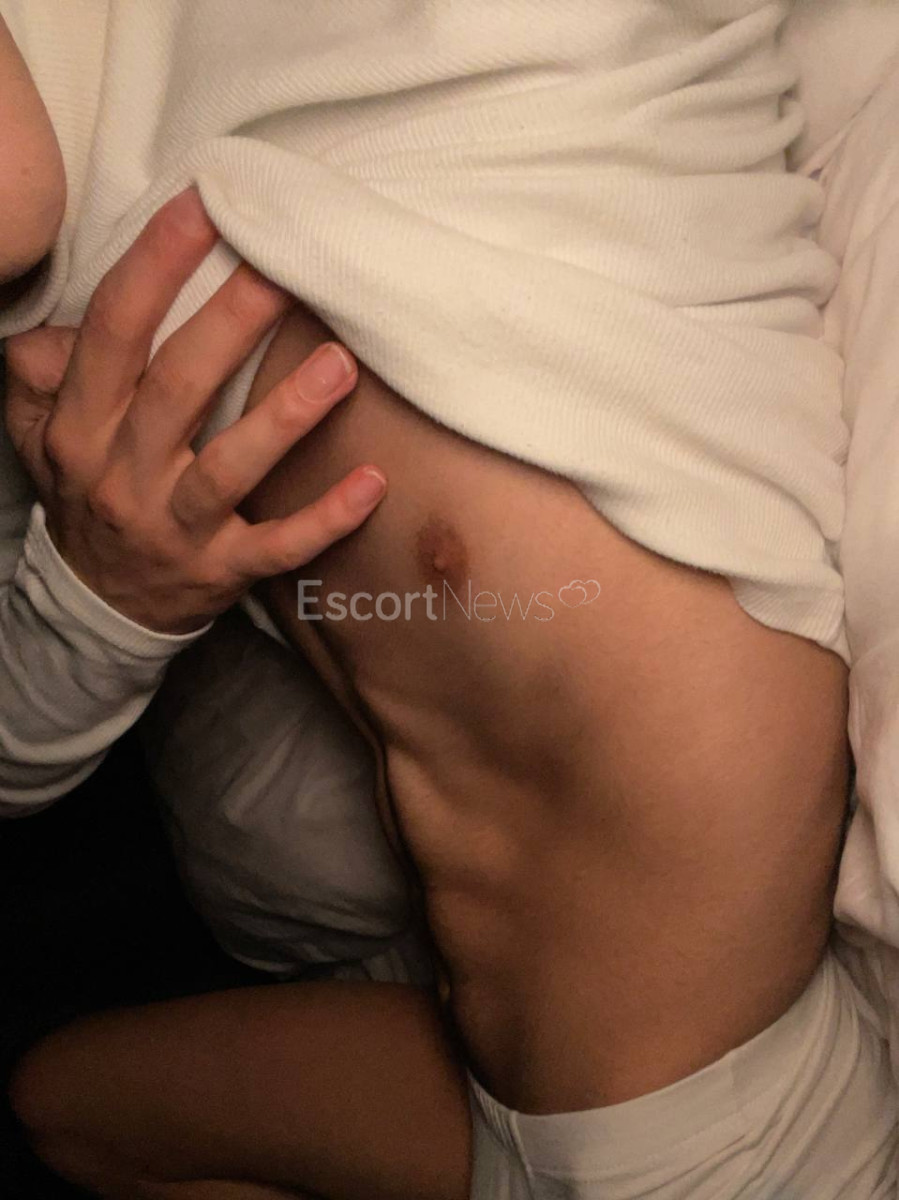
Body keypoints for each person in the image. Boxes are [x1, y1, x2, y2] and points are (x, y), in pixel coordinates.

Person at [3, 3, 898, 1198]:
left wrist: (95, 600)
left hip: (594, 1083)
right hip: (709, 1118)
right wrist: (98, 600)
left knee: (60, 1107)